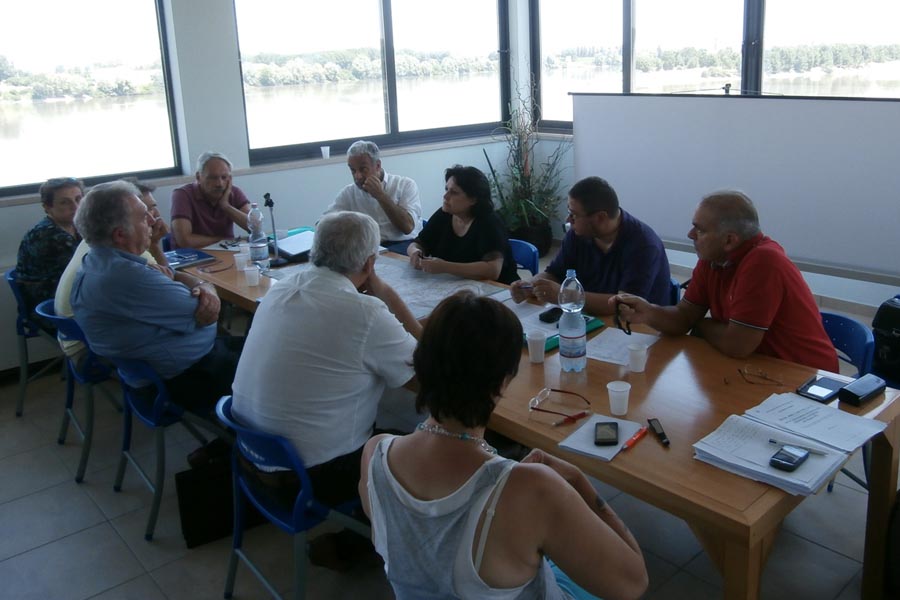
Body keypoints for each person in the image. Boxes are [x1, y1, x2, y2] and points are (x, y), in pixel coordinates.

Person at [359, 291, 648, 600]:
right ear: (503, 382)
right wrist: (579, 481)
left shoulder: (375, 453)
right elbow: (633, 584)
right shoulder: (531, 488)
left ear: (421, 361)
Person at [231, 210, 421, 511]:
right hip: (307, 481)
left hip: (250, 458)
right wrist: (388, 295)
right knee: (422, 449)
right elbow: (426, 371)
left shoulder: (279, 288)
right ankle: (366, 532)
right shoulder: (366, 313)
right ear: (370, 264)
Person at [613, 190, 838, 371]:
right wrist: (649, 312)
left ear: (729, 240)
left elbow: (737, 345)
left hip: (802, 376)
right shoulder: (713, 259)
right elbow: (684, 317)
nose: (690, 235)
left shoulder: (763, 261)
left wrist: (701, 324)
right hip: (755, 367)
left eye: (700, 230)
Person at [70, 180, 243, 415]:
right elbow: (208, 313)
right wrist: (207, 288)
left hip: (165, 370)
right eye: (144, 217)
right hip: (185, 379)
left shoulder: (98, 260)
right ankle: (249, 433)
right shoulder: (128, 277)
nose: (153, 220)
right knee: (276, 362)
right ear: (120, 234)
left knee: (262, 346)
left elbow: (174, 276)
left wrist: (202, 284)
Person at [510, 176, 670, 315]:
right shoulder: (579, 233)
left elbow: (624, 305)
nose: (568, 220)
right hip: (589, 317)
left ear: (600, 217)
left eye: (574, 214)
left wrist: (565, 295)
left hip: (637, 328)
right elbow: (554, 273)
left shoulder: (644, 245)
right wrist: (530, 285)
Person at [55, 179, 169, 358]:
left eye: (153, 208)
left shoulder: (95, 241)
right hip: (89, 349)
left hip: (77, 335)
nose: (153, 218)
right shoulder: (125, 253)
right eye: (144, 212)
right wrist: (154, 244)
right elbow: (170, 288)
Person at [407, 165, 518, 284]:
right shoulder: (444, 214)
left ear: (473, 199)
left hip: (497, 288)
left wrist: (445, 267)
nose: (445, 196)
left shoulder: (489, 222)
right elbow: (417, 244)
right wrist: (415, 253)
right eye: (446, 189)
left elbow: (493, 270)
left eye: (454, 192)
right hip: (456, 284)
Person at [324, 140, 422, 253]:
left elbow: (407, 227)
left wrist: (380, 195)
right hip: (369, 247)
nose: (357, 176)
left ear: (378, 166)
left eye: (363, 169)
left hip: (404, 244)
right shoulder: (349, 192)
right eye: (353, 170)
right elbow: (323, 223)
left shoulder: (405, 185)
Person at [15, 177, 84, 314]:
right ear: (47, 207)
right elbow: (86, 274)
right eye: (64, 202)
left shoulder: (77, 227)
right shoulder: (48, 236)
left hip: (71, 298)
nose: (75, 207)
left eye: (78, 199)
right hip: (50, 308)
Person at [170, 151, 251, 248]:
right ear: (198, 177)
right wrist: (223, 240)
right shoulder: (182, 194)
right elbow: (184, 241)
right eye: (213, 178)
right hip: (192, 255)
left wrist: (226, 206)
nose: (219, 184)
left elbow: (256, 227)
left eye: (224, 177)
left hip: (225, 253)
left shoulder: (233, 192)